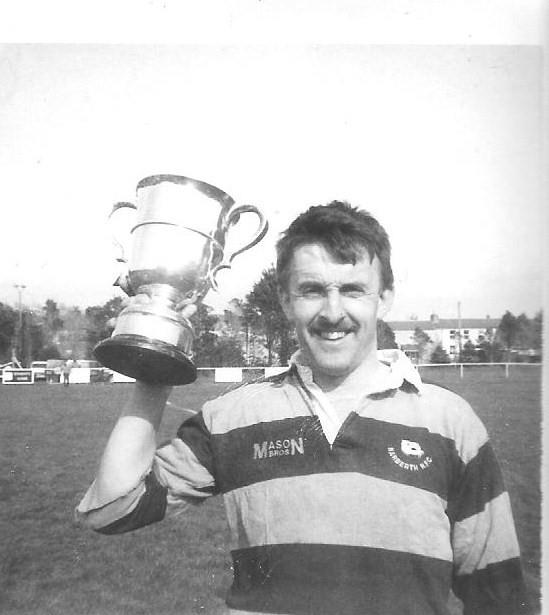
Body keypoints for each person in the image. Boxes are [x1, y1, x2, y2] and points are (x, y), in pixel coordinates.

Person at [76, 201, 528, 614]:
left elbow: (497, 594)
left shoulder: (451, 422)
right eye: (312, 289)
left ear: (385, 297)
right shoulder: (231, 418)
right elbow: (113, 509)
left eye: (353, 289)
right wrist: (156, 356)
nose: (333, 312)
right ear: (285, 299)